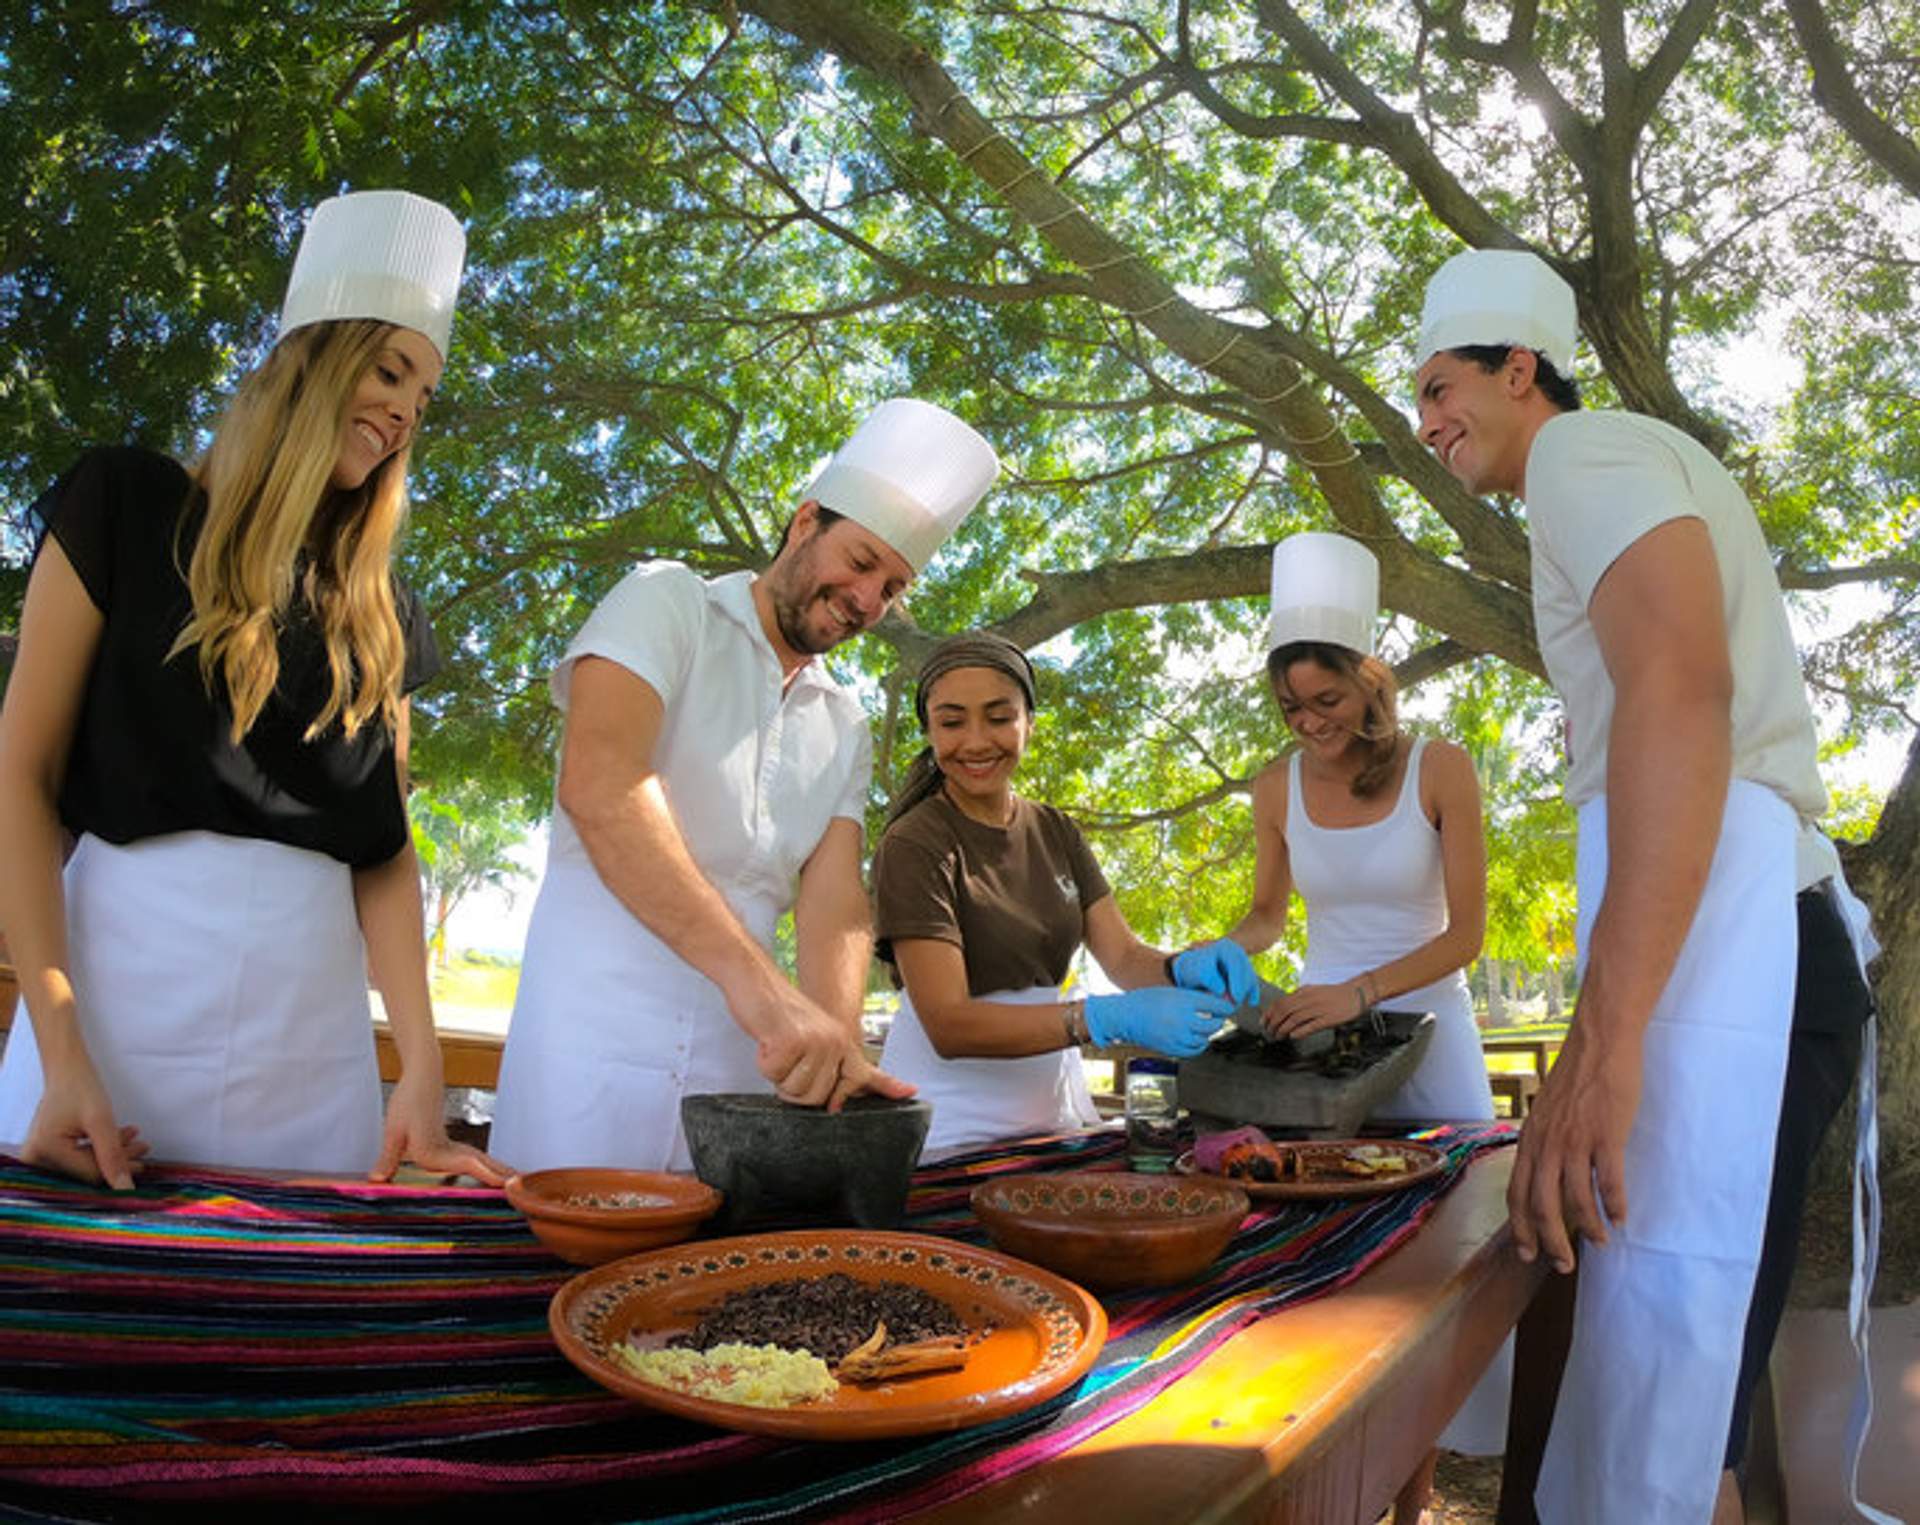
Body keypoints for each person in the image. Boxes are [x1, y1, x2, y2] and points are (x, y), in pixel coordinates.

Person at [1412, 247, 1827, 1525]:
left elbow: (1680, 691)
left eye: (1442, 390)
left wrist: (1611, 1037)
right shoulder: (1591, 480)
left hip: (1744, 949)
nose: (1427, 424)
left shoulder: (1585, 457)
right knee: (1680, 1388)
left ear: (1521, 368)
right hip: (1725, 938)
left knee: (1680, 1367)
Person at [0, 190, 504, 1188]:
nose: (406, 410)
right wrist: (59, 1048)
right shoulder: (120, 501)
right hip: (112, 1021)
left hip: (309, 1050)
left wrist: (419, 1076)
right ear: (307, 360)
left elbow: (386, 850)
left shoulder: (382, 606)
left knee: (286, 1324)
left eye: (424, 395)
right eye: (390, 367)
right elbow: (20, 774)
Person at [489, 400, 999, 1173]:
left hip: (738, 1090)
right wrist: (763, 992)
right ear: (803, 525)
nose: (868, 599)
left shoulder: (845, 723)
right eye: (860, 562)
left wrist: (833, 1051)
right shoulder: (667, 602)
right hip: (588, 1056)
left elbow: (834, 906)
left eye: (892, 587)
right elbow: (602, 786)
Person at [1221, 531, 1506, 1503]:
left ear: (1371, 682)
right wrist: (1214, 955)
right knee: (1334, 1254)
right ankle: (1330, 1463)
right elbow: (1268, 915)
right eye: (1292, 707)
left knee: (1444, 1256)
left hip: (1428, 1029)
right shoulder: (1274, 785)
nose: (1309, 723)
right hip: (1322, 1045)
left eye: (1327, 702)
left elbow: (1466, 933)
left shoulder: (1441, 767)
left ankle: (1418, 1490)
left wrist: (1362, 989)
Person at [869, 632, 1249, 1158]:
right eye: (952, 722)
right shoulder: (916, 842)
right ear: (930, 730)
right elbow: (949, 1024)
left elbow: (1124, 956)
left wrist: (1184, 967)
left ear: (1029, 721)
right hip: (945, 1131)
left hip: (1049, 1122)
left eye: (999, 717)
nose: (976, 741)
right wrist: (1099, 1019)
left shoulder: (1056, 830)